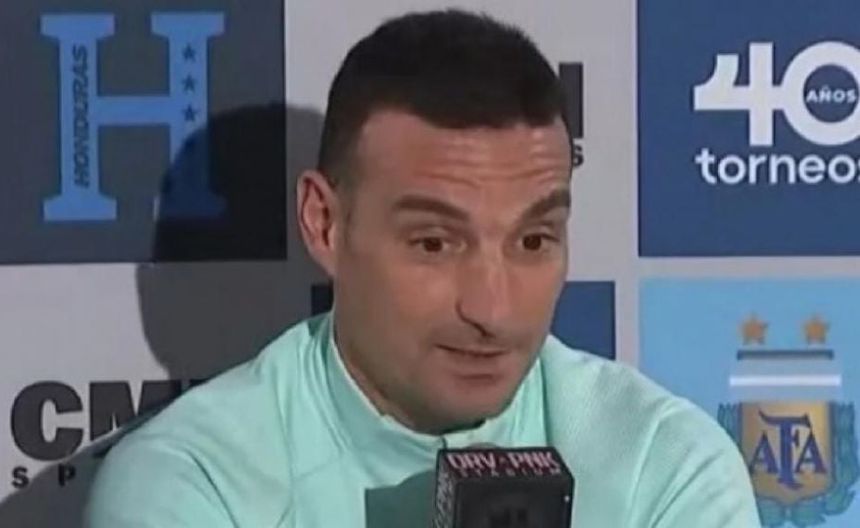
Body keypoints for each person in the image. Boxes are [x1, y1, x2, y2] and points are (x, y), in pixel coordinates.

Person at [85, 9, 760, 527]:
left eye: (533, 241)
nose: (493, 311)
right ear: (325, 224)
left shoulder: (664, 467)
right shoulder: (193, 483)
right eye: (434, 244)